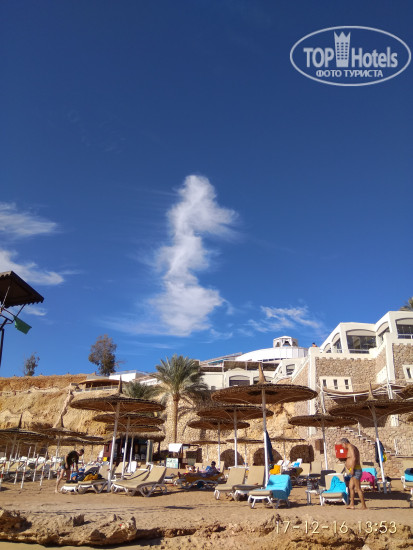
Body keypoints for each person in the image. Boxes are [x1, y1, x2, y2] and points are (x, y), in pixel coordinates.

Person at [340, 438, 367, 509]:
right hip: (354, 470)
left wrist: (352, 468)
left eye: (342, 445)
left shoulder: (351, 448)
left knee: (358, 488)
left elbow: (354, 458)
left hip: (355, 470)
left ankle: (364, 506)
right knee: (351, 487)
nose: (342, 446)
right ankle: (352, 504)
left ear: (344, 443)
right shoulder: (351, 448)